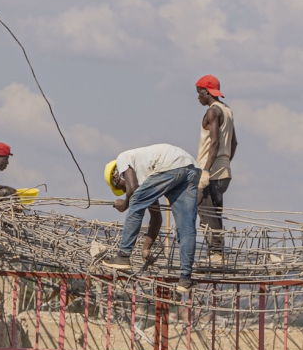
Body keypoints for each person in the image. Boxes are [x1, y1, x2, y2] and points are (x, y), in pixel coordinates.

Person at [101, 145, 200, 292]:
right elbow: (156, 217)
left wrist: (125, 203)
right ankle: (185, 278)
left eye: (121, 188)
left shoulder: (123, 158)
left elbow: (133, 190)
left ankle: (123, 255)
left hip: (171, 166)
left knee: (135, 201)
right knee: (186, 227)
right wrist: (146, 247)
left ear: (116, 177)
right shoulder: (149, 179)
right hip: (191, 168)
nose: (124, 191)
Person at [195, 75, 237, 264]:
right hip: (224, 170)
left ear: (207, 92)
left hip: (211, 170)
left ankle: (216, 254)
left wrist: (206, 170)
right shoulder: (227, 111)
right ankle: (218, 253)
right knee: (215, 212)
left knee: (206, 211)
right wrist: (225, 161)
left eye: (199, 93)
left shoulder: (213, 112)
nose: (198, 98)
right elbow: (234, 143)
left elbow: (215, 143)